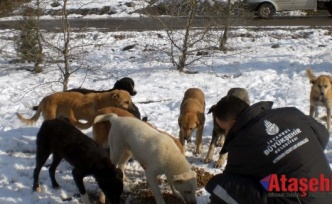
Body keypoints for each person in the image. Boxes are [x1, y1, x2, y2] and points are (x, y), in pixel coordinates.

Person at [205, 95, 332, 204]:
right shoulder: (291, 113)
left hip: (296, 200)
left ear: (233, 123)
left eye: (223, 129)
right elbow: (323, 135)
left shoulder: (240, 144)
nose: (224, 134)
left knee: (219, 185)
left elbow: (231, 180)